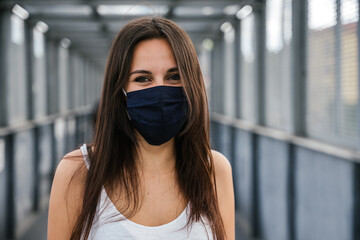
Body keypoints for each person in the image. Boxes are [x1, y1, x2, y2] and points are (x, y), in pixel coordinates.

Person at [48, 16, 234, 240]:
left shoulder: (214, 170)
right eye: (143, 78)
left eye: (174, 76)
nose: (160, 91)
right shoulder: (77, 173)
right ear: (120, 92)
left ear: (192, 84)